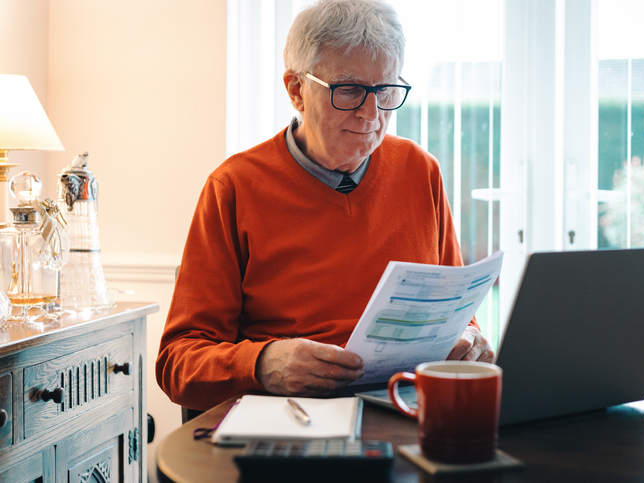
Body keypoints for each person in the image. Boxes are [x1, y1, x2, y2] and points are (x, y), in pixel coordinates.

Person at [156, 0, 494, 412]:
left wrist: (470, 341)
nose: (372, 113)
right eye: (350, 90)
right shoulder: (234, 187)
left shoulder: (420, 170)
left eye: (385, 90)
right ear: (297, 90)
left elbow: (457, 314)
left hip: (404, 408)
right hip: (288, 416)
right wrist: (262, 363)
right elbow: (178, 361)